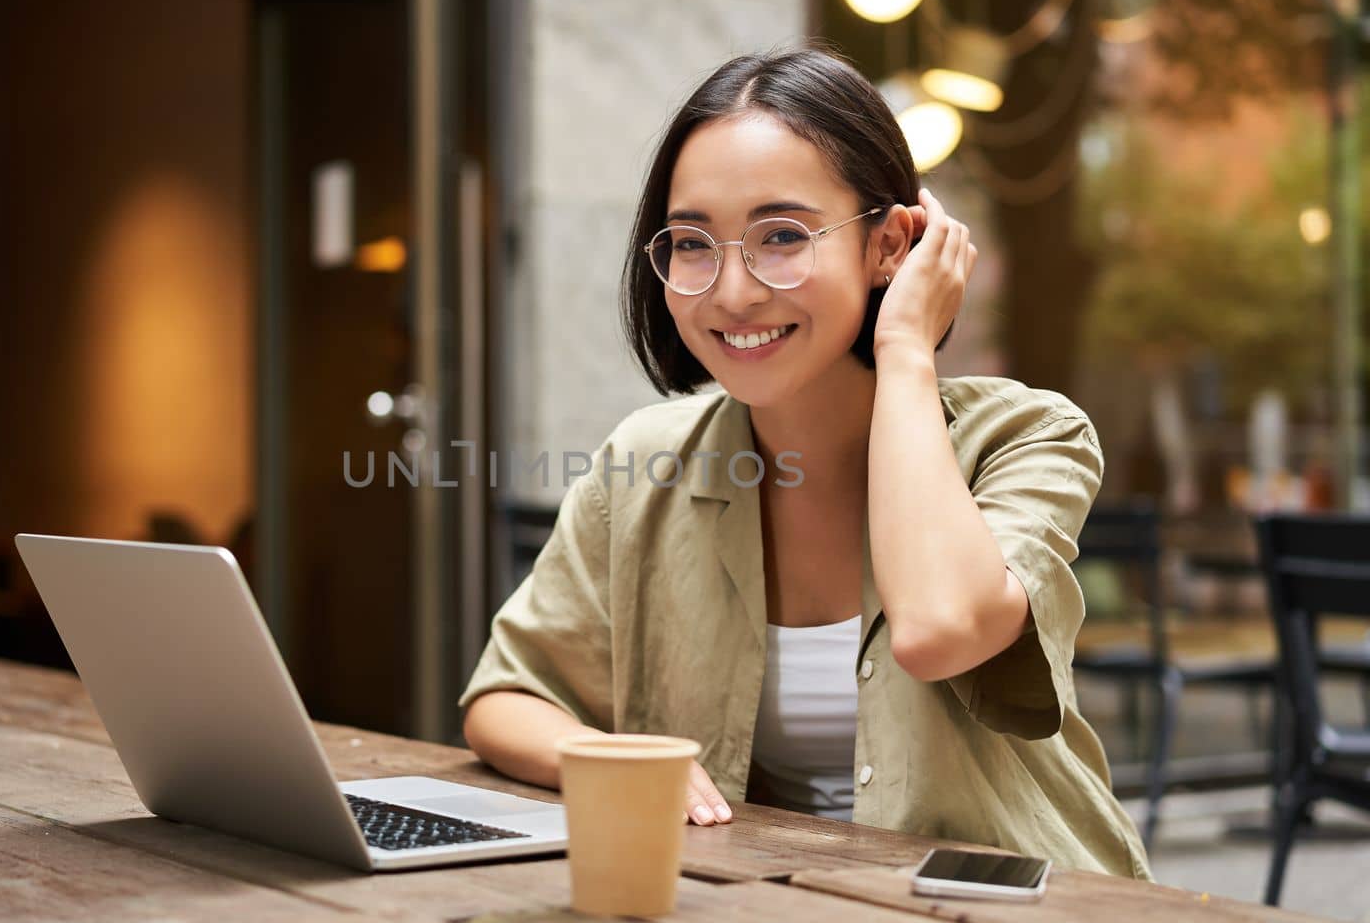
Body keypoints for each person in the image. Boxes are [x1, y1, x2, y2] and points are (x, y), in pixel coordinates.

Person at [459, 46, 1150, 880]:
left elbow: (937, 631)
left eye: (781, 235)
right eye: (691, 243)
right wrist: (612, 759)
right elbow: (505, 699)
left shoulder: (1028, 436)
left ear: (892, 243)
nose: (732, 291)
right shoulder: (643, 461)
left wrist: (905, 347)